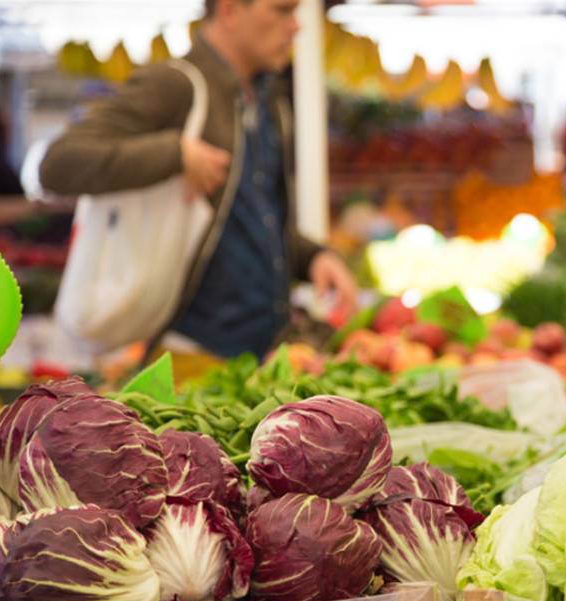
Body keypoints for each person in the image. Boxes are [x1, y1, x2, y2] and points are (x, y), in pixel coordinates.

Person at [39, 0, 358, 361]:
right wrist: (175, 154)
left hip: (262, 359)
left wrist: (313, 257)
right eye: (282, 10)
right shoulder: (175, 86)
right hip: (186, 357)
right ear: (230, 10)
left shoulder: (270, 106)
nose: (296, 26)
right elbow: (59, 163)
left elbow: (250, 219)